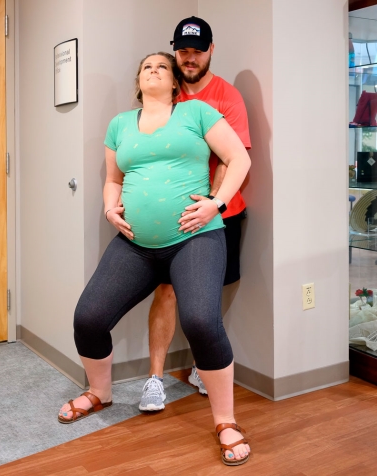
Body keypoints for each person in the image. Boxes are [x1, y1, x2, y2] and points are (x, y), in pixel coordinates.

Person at [58, 51, 251, 466]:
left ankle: (225, 420)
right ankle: (100, 392)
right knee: (88, 317)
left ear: (175, 80)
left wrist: (216, 203)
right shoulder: (119, 125)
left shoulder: (197, 112)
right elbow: (113, 179)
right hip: (136, 245)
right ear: (138, 80)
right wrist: (111, 210)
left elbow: (240, 159)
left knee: (200, 320)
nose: (154, 70)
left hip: (194, 238)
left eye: (162, 66)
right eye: (146, 66)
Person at [139, 16, 251, 411]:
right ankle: (155, 377)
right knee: (166, 290)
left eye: (197, 51)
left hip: (220, 211)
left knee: (207, 294)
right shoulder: (166, 92)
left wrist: (211, 204)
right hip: (172, 215)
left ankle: (204, 367)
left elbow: (230, 159)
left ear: (211, 51)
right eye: (183, 51)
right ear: (175, 52)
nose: (189, 58)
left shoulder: (227, 96)